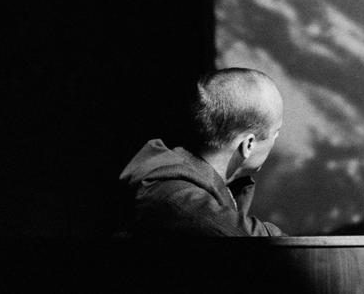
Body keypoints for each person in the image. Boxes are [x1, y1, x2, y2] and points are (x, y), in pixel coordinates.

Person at [116, 67, 286, 236]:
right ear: (248, 144)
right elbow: (254, 240)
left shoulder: (210, 190)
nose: (276, 139)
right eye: (275, 132)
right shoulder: (173, 196)